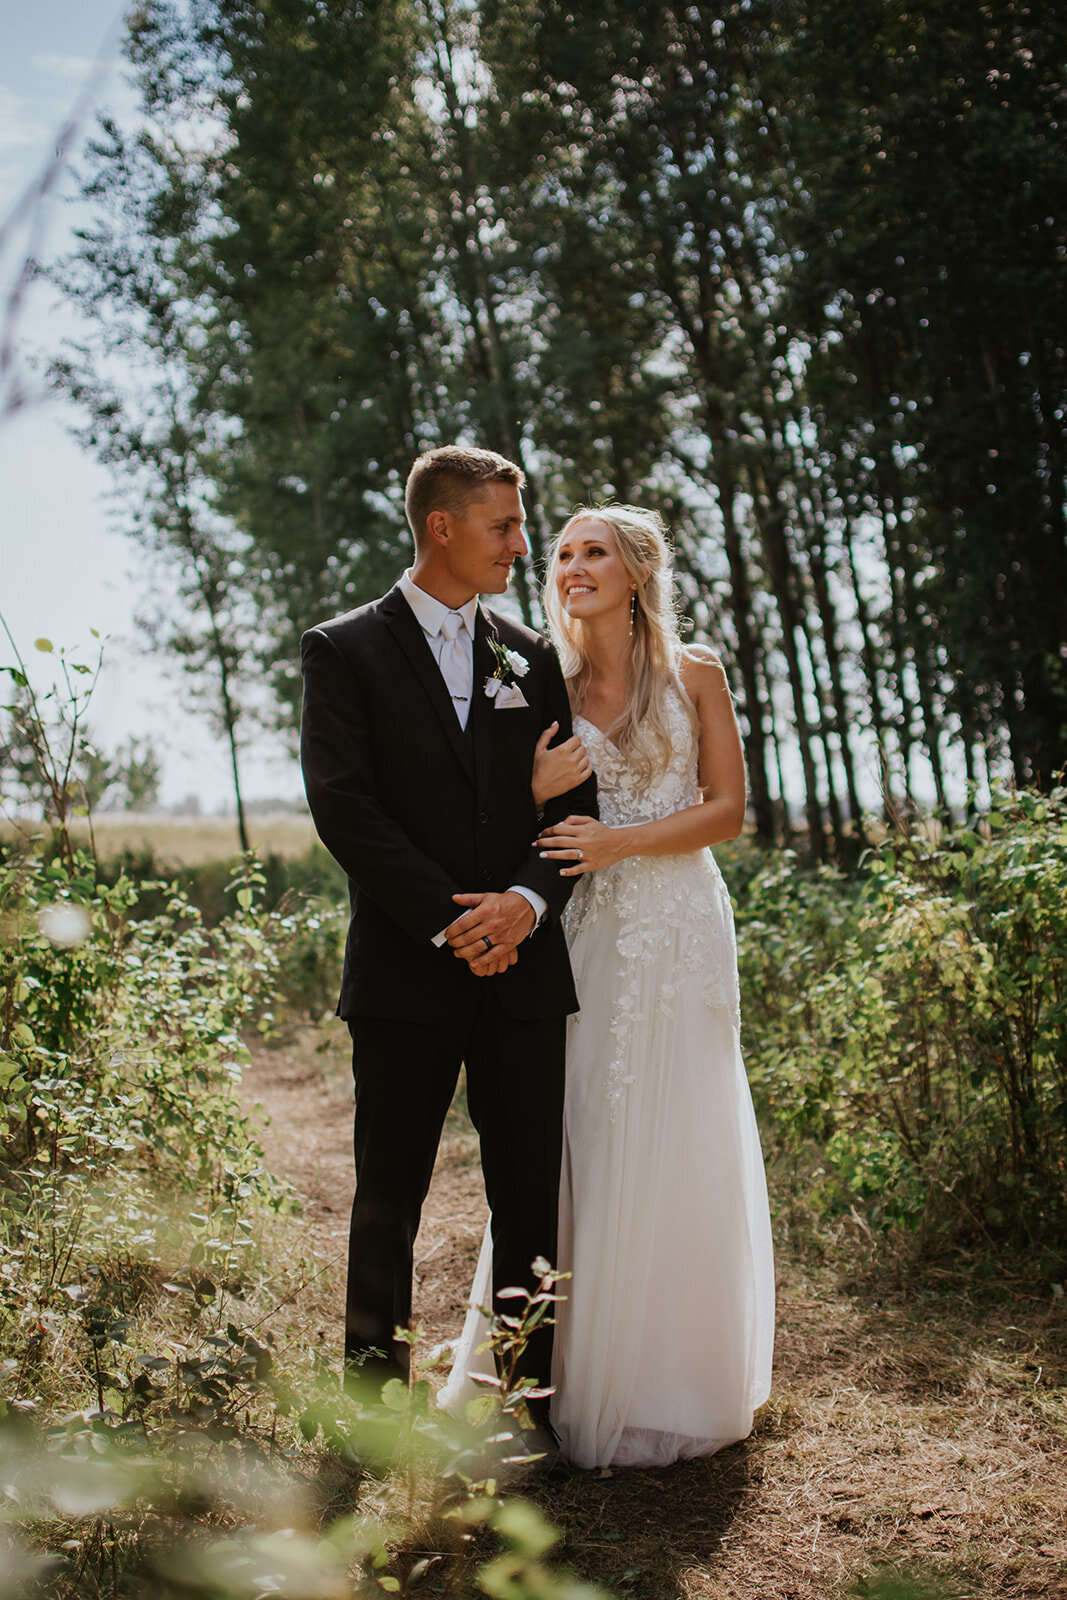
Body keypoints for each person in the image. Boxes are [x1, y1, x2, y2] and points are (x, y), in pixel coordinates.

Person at [440, 504, 775, 1469]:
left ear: (635, 571)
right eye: (562, 553)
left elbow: (725, 811)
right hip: (581, 930)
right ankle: (548, 1372)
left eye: (594, 552)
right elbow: (495, 808)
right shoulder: (534, 674)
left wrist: (620, 840)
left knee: (681, 1123)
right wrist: (533, 797)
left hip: (680, 926)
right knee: (577, 1127)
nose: (572, 566)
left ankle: (679, 1374)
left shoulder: (695, 673)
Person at [299, 446, 597, 1441]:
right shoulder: (345, 650)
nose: (523, 545)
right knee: (390, 1197)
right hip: (405, 969)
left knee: (527, 1199)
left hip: (523, 967)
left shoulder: (528, 654)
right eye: (504, 526)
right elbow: (345, 807)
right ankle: (374, 1408)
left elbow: (576, 806)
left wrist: (522, 901)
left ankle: (525, 1407)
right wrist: (453, 915)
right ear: (442, 526)